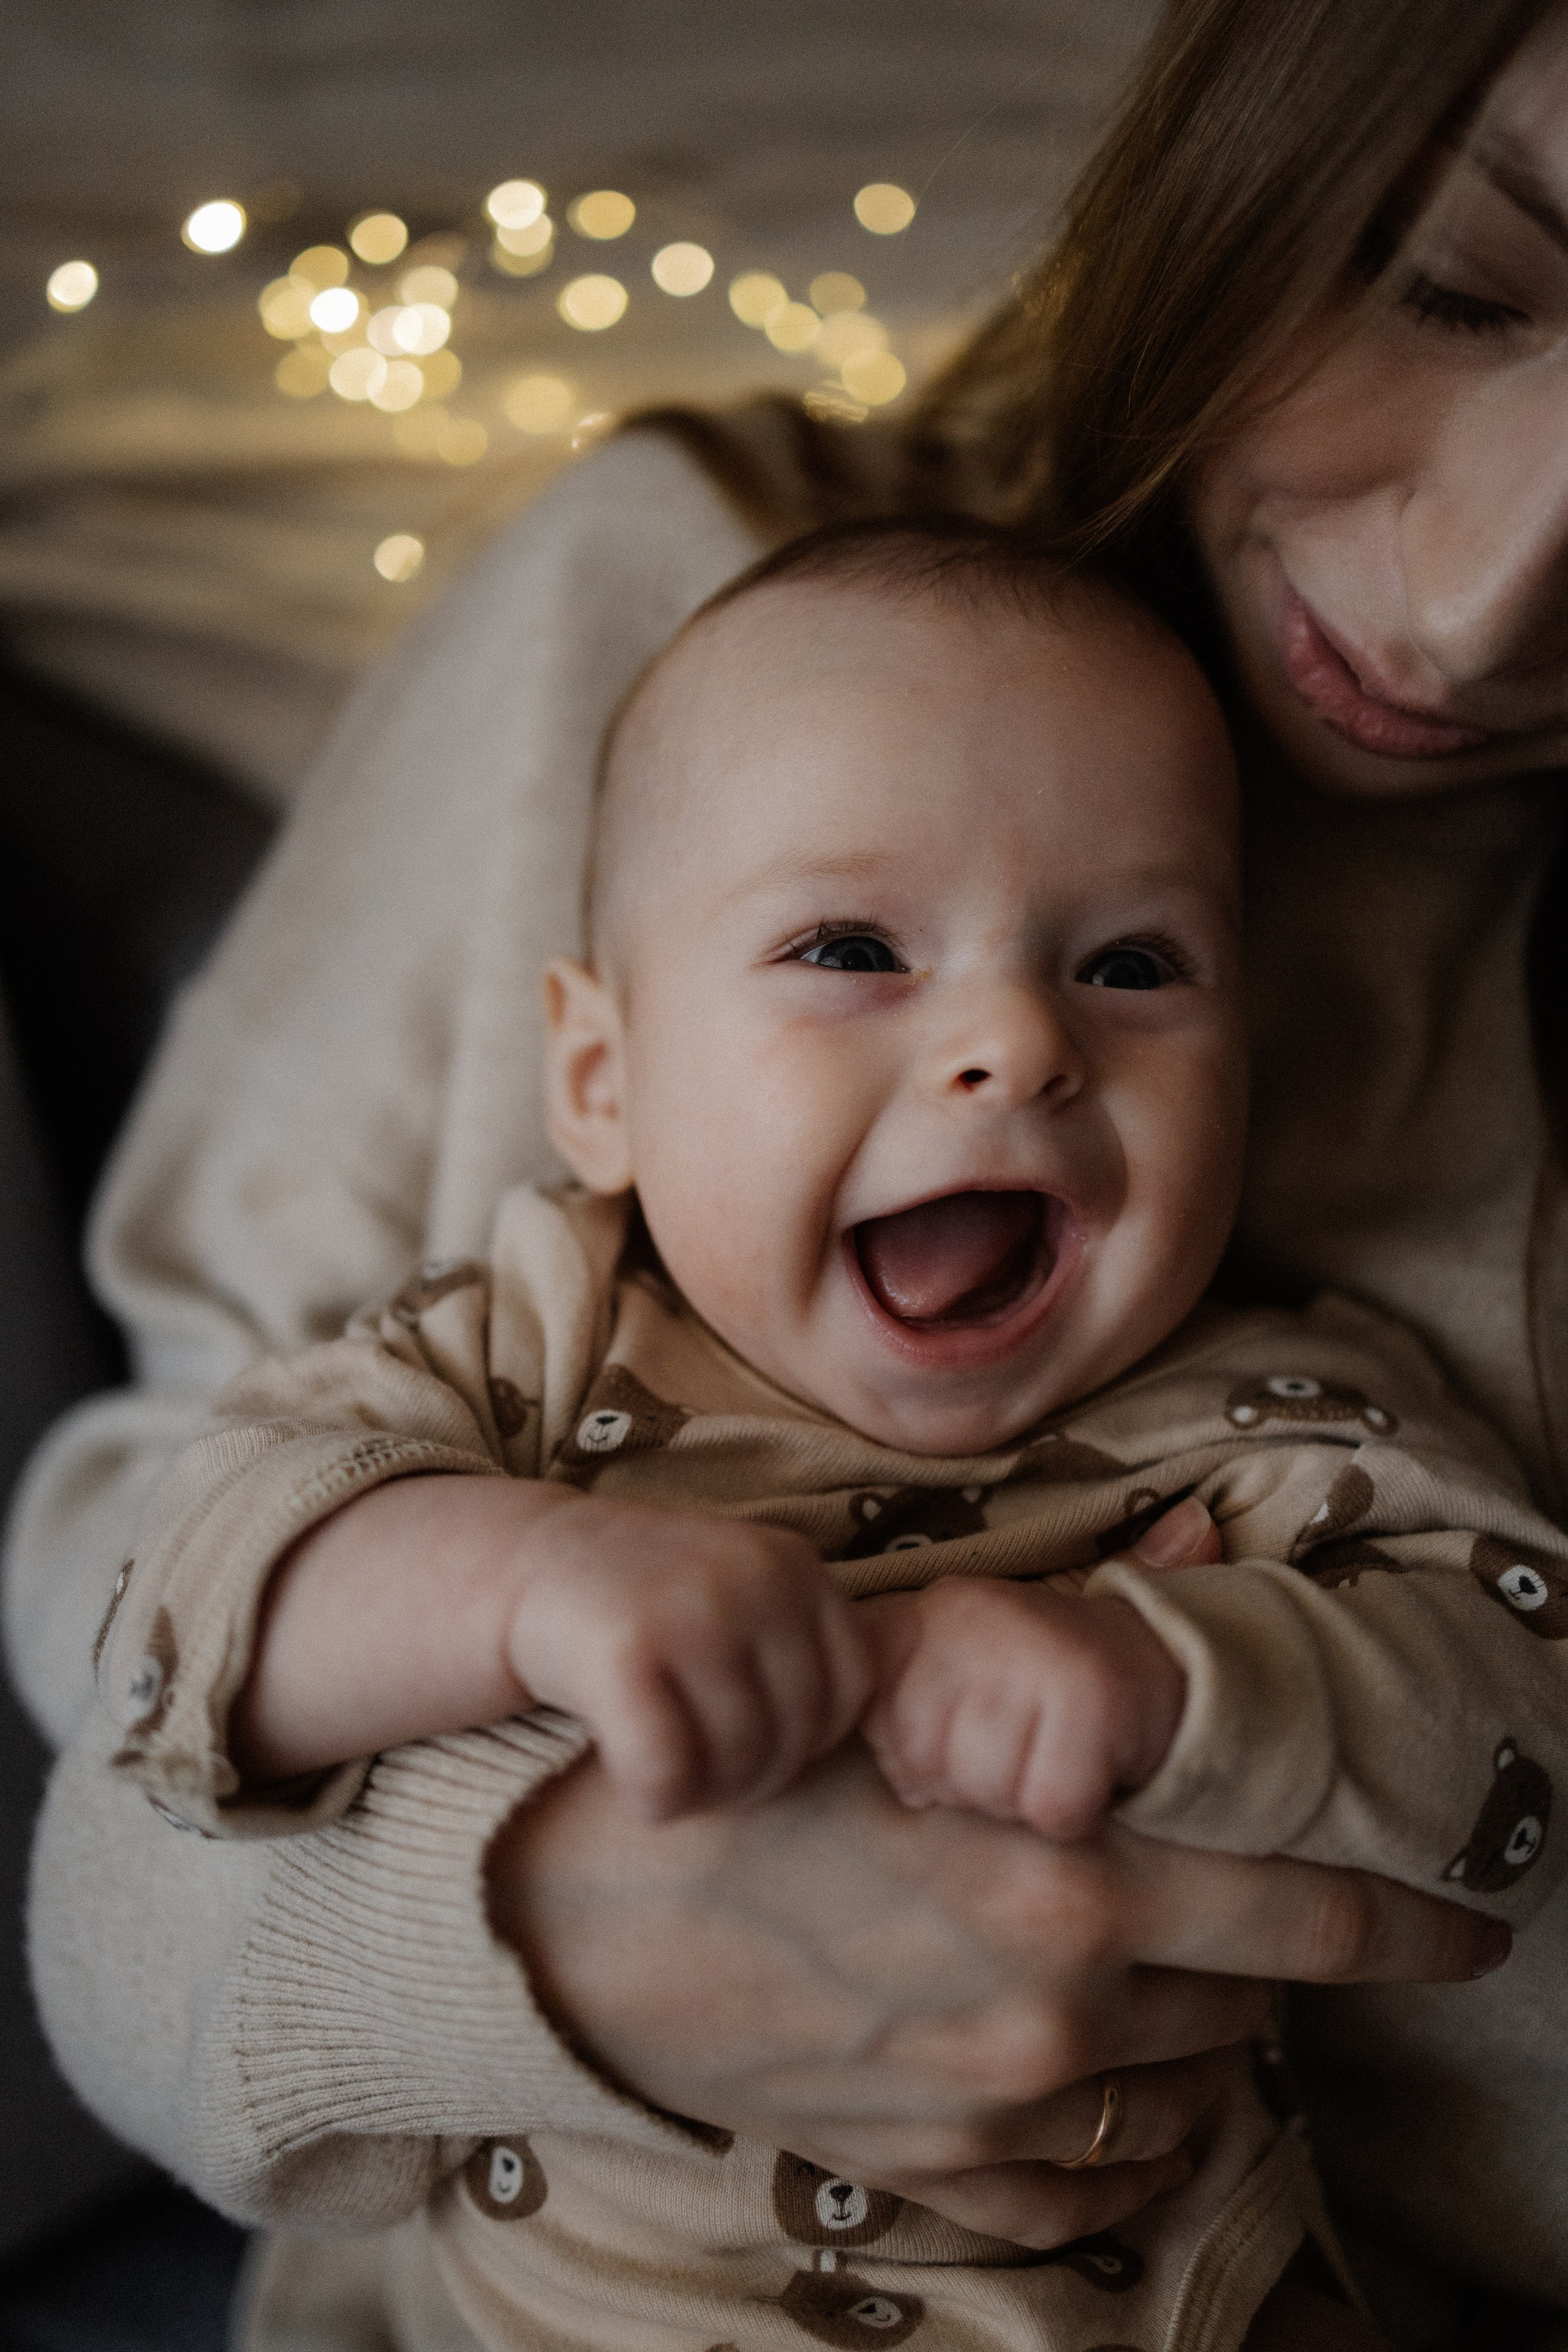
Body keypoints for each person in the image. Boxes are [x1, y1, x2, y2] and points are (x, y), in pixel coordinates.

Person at [12, 0, 1568, 2343]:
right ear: (599, 1072)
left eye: (1140, 969)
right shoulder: (521, 1346)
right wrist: (532, 1763)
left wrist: (1173, 1681)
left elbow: (1505, 1687)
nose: (1480, 600)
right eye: (1455, 283)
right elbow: (166, 1597)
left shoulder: (1274, 1425)